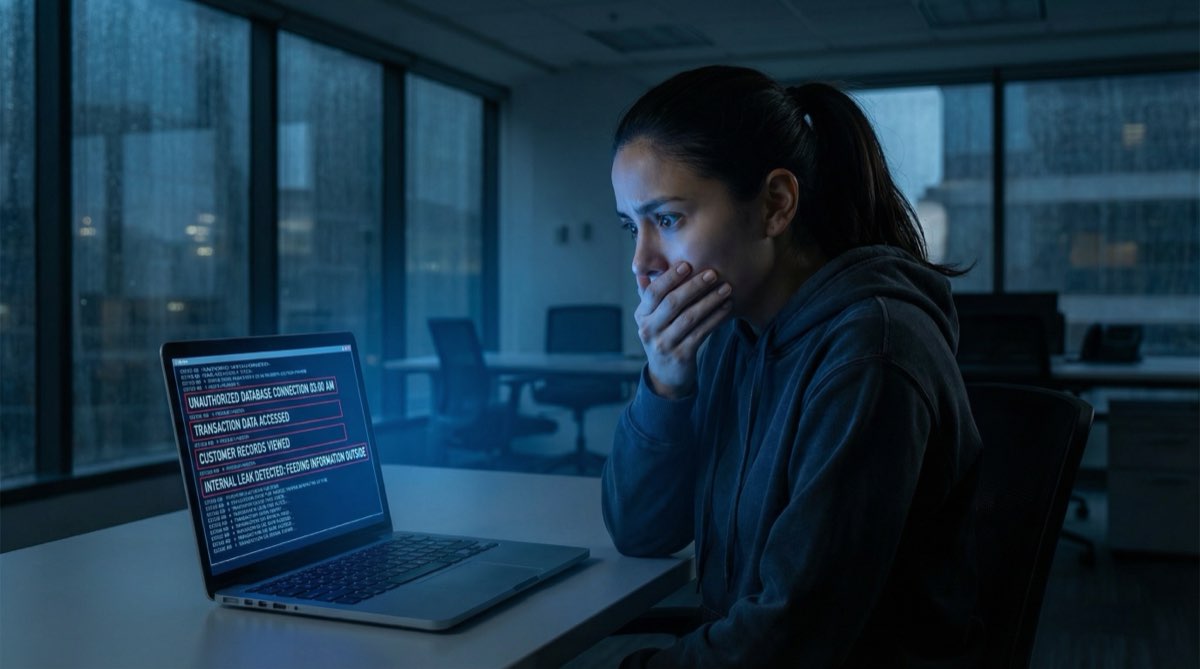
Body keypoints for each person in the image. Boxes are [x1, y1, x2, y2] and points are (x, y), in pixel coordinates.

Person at [602, 65, 983, 667]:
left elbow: (791, 637)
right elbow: (640, 531)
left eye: (668, 219)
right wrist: (665, 385)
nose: (641, 262)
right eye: (632, 226)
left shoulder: (871, 351)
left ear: (775, 206)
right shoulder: (730, 334)